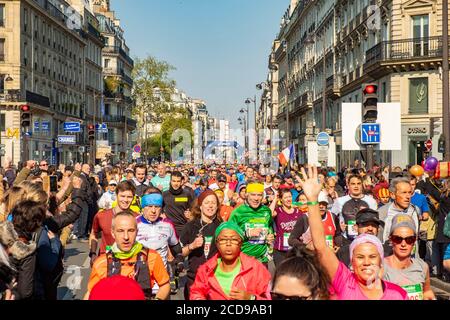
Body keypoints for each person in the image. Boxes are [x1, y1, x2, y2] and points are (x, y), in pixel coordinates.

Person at [297, 165, 407, 300]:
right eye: (360, 257)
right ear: (352, 262)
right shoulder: (344, 282)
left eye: (372, 256)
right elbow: (320, 246)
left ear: (381, 260)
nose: (366, 262)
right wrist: (312, 200)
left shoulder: (398, 294)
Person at [86, 210, 170, 300]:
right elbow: (90, 293)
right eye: (120, 231)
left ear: (137, 232)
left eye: (130, 231)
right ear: (113, 233)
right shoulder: (101, 262)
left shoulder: (152, 256)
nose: (126, 237)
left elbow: (165, 284)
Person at [189, 221, 271, 300]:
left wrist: (251, 298)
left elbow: (268, 297)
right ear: (216, 243)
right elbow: (196, 292)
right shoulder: (206, 269)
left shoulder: (256, 268)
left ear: (241, 243)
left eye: (234, 239)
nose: (228, 244)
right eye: (223, 240)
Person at [180, 190, 222, 299]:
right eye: (207, 202)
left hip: (217, 279)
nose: (210, 206)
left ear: (217, 206)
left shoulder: (222, 227)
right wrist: (192, 246)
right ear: (200, 206)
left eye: (213, 203)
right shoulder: (190, 226)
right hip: (195, 279)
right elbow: (179, 254)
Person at [383, 214, 435, 300]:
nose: (403, 244)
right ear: (391, 239)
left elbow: (427, 291)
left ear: (415, 240)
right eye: (398, 239)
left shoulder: (422, 266)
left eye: (409, 239)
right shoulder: (381, 267)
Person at [89, 181, 138, 266]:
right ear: (116, 195)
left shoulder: (137, 218)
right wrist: (93, 254)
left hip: (129, 264)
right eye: (122, 196)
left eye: (129, 197)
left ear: (133, 197)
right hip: (105, 262)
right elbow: (94, 235)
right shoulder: (101, 216)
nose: (125, 200)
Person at [228, 182, 274, 266]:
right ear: (246, 195)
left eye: (259, 195)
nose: (256, 198)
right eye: (253, 195)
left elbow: (270, 227)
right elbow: (228, 236)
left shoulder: (266, 211)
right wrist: (247, 233)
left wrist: (270, 236)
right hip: (243, 260)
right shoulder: (237, 212)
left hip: (262, 260)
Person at [331, 174, 378, 241]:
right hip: (345, 240)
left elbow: (375, 222)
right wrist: (339, 228)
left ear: (362, 185)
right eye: (353, 184)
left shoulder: (371, 201)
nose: (356, 186)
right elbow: (331, 219)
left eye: (358, 183)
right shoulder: (340, 201)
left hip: (366, 239)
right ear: (348, 185)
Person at [379, 177, 420, 246]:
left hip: (411, 255)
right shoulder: (382, 213)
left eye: (409, 192)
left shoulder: (415, 210)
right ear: (392, 195)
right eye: (403, 193)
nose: (408, 196)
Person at [269, 189, 303, 267]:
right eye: (285, 197)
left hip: (295, 250)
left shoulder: (298, 212)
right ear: (281, 199)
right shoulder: (278, 211)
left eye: (290, 197)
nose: (288, 199)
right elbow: (269, 214)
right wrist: (275, 199)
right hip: (280, 250)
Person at [163, 171, 195, 237]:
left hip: (183, 227)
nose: (176, 183)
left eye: (178, 181)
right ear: (170, 181)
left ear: (181, 182)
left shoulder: (187, 194)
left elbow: (193, 209)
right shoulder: (165, 194)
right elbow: (159, 209)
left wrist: (190, 214)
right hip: (168, 227)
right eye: (174, 181)